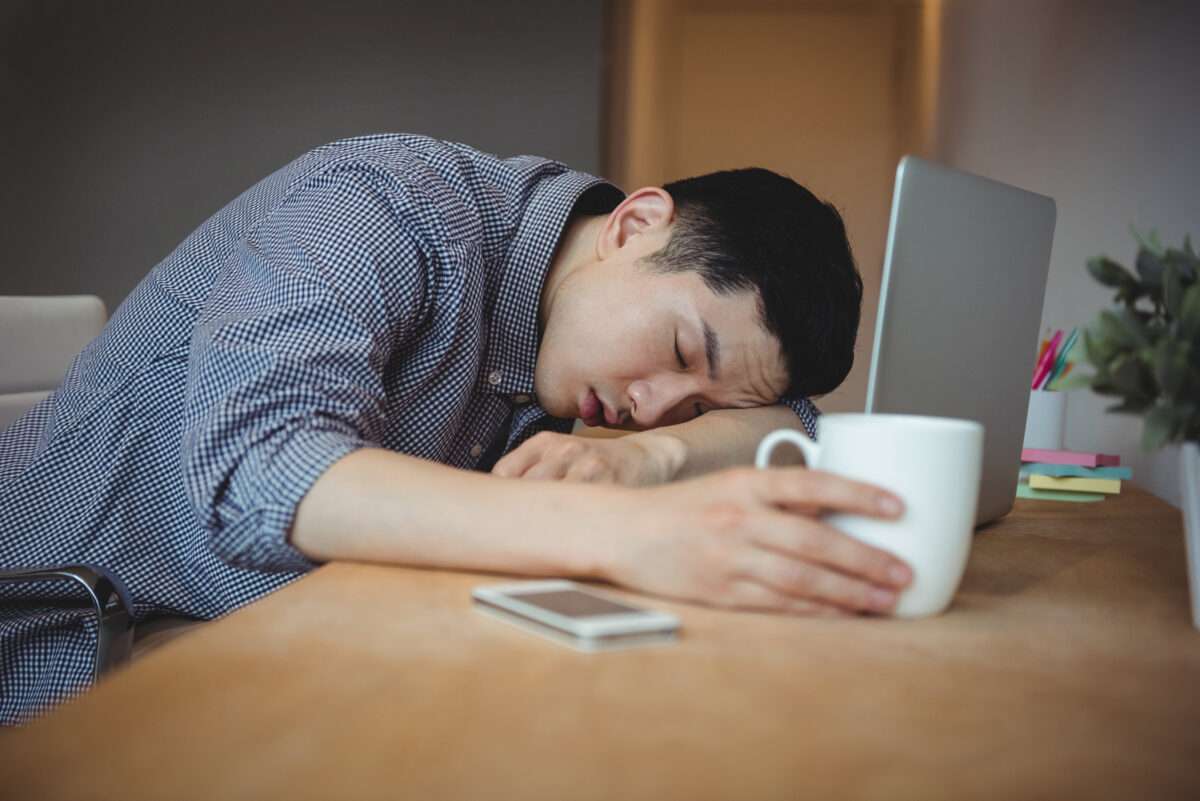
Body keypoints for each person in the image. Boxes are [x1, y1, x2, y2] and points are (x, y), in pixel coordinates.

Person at [0, 133, 911, 724]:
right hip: (67, 652)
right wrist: (629, 531)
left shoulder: (571, 339)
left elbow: (790, 423)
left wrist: (652, 458)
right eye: (680, 348)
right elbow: (262, 468)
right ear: (634, 224)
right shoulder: (388, 205)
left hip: (263, 647)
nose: (658, 397)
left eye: (701, 402)